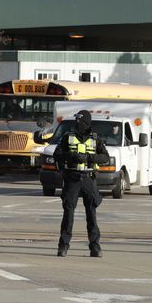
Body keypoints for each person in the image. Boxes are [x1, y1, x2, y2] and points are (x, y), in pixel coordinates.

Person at [54, 109, 110, 257]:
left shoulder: (95, 139)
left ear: (86, 123)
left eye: (80, 122)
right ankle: (63, 245)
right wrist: (72, 156)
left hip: (88, 178)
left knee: (91, 212)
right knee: (68, 212)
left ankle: (95, 246)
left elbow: (105, 158)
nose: (77, 124)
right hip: (72, 178)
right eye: (76, 121)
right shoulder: (68, 137)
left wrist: (88, 158)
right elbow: (57, 154)